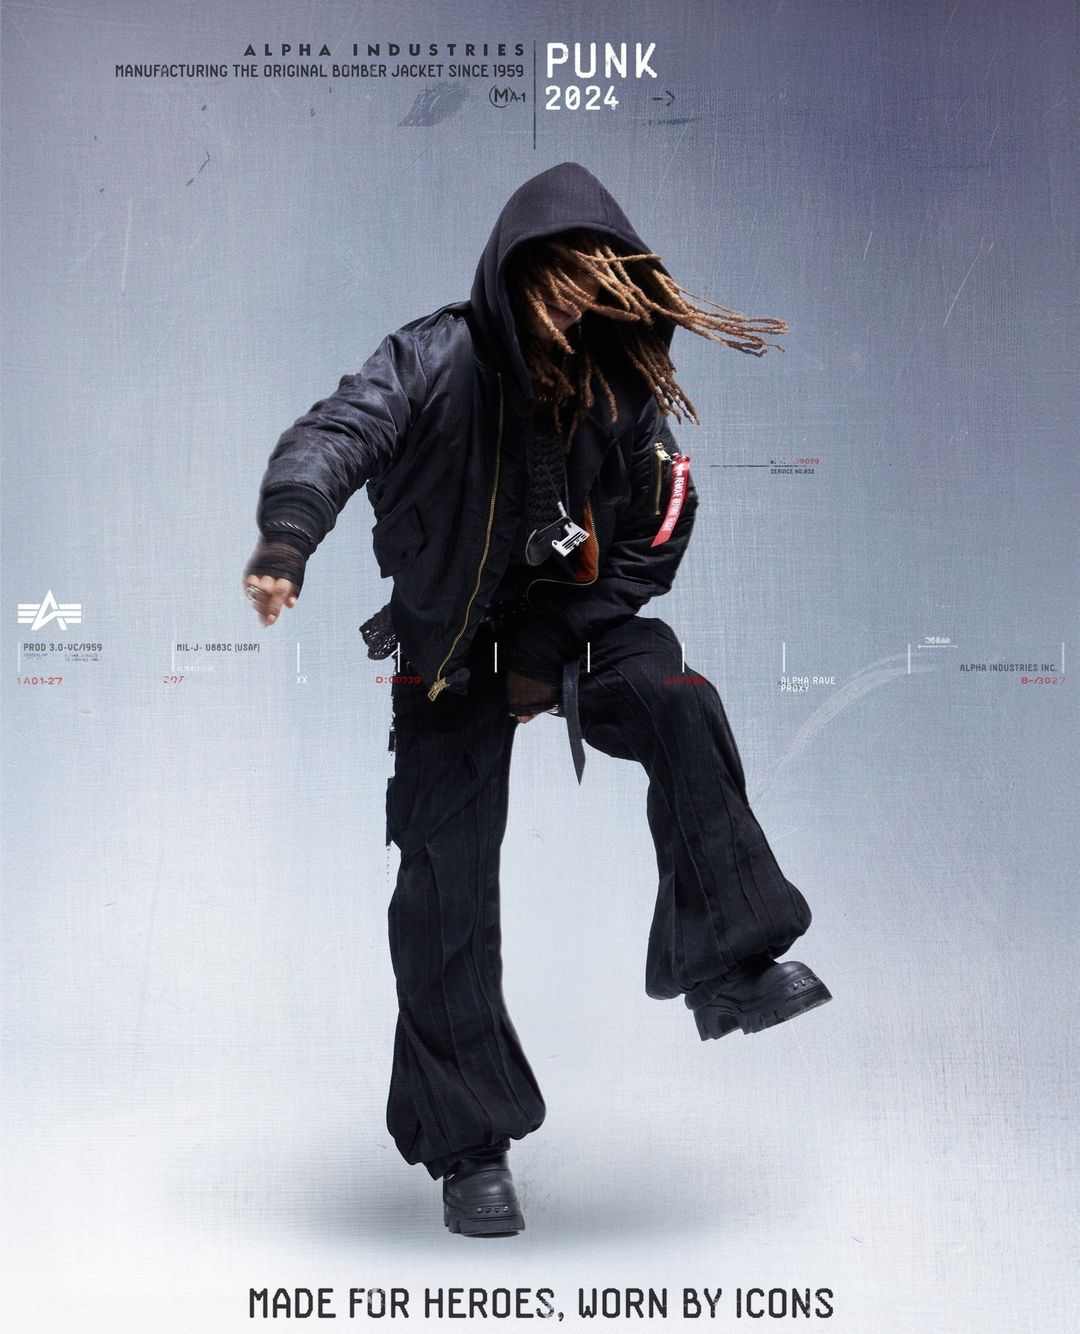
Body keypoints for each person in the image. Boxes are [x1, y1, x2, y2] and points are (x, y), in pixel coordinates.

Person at [242, 162, 831, 1238]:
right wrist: (288, 537)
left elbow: (664, 519)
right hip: (450, 652)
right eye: (549, 285)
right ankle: (468, 1145)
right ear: (510, 276)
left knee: (676, 695)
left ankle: (728, 963)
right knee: (443, 882)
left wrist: (558, 640)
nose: (566, 309)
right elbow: (334, 433)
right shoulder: (433, 358)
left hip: (574, 631)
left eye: (587, 289)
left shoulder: (618, 386)